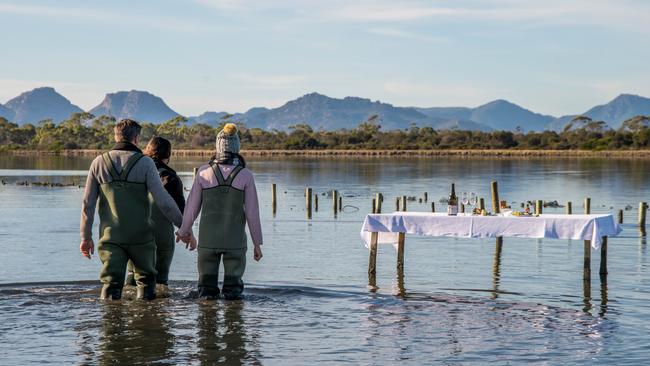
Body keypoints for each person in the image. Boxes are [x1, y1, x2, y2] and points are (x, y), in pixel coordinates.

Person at [80, 119, 183, 300]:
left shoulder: (98, 163)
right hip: (141, 239)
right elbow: (164, 202)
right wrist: (184, 227)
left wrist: (85, 237)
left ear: (115, 136)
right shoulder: (145, 164)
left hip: (111, 239)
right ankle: (146, 324)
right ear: (136, 138)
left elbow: (87, 204)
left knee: (111, 284)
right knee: (146, 282)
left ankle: (110, 325)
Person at [177, 123, 263, 300]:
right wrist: (257, 243)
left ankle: (207, 324)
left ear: (218, 147)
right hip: (235, 243)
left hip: (208, 242)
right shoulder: (245, 175)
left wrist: (183, 231)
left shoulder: (203, 172)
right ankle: (234, 324)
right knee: (234, 295)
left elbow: (191, 208)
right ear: (237, 147)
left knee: (206, 293)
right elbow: (252, 213)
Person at [125, 137, 185, 292]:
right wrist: (186, 231)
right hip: (161, 236)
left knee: (132, 278)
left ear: (147, 150)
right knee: (160, 282)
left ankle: (124, 307)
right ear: (168, 155)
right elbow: (181, 212)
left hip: (133, 233)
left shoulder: (133, 170)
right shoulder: (170, 178)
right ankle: (158, 311)